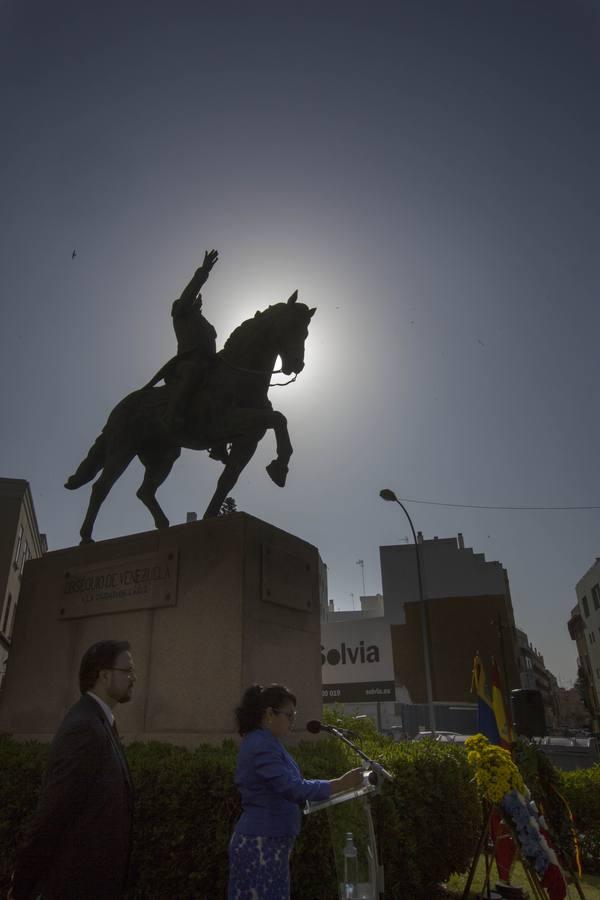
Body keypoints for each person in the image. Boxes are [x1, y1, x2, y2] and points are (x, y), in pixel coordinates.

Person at [9, 640, 136, 900]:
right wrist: (22, 884)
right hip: (77, 885)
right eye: (128, 671)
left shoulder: (100, 722)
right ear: (104, 675)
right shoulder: (84, 728)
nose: (133, 678)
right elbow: (53, 812)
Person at [228, 683, 364, 900]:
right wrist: (340, 783)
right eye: (288, 716)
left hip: (271, 841)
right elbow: (292, 787)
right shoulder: (261, 744)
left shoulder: (268, 742)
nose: (292, 722)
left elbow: (294, 784)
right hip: (261, 843)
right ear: (270, 714)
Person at [165, 249, 228, 462]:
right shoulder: (180, 313)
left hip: (210, 363)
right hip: (187, 363)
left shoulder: (202, 321)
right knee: (193, 372)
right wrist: (204, 271)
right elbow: (189, 293)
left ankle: (221, 441)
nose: (193, 303)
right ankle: (176, 415)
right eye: (190, 303)